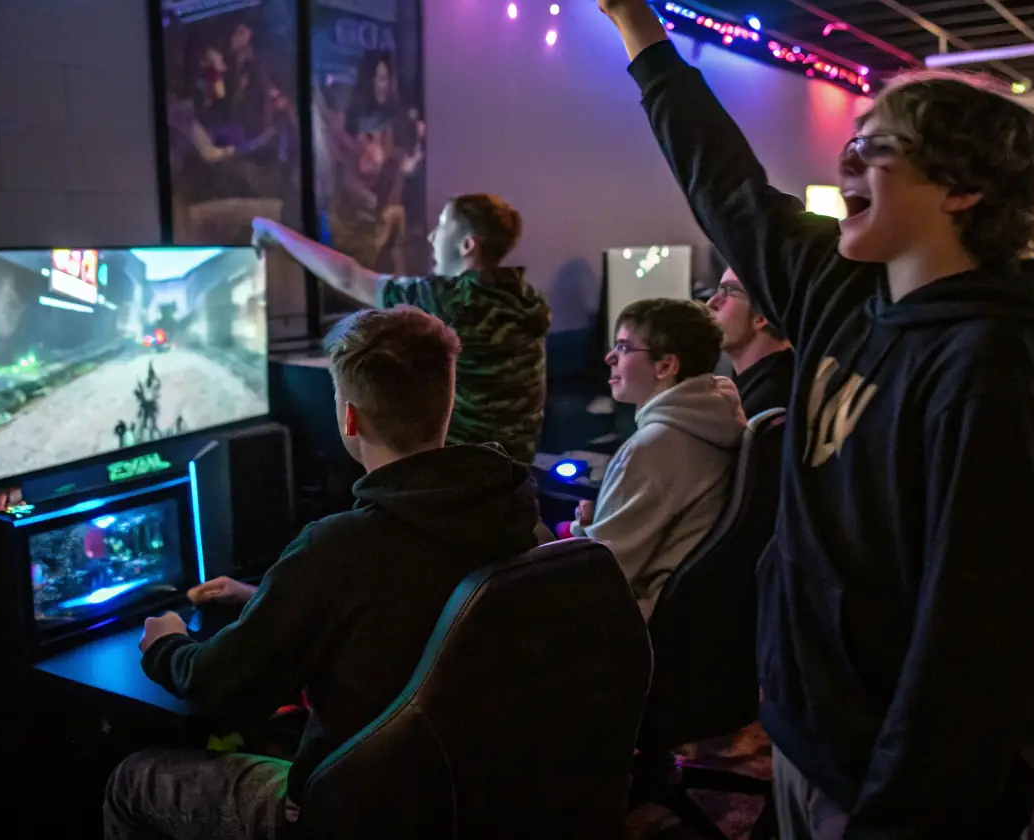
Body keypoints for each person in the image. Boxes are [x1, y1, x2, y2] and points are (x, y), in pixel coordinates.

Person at [584, 0, 1034, 838]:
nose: (845, 164)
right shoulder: (837, 286)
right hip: (804, 730)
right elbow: (721, 177)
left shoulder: (995, 371)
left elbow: (978, 644)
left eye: (877, 150)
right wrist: (631, 18)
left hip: (898, 782)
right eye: (850, 145)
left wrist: (902, 813)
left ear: (961, 190)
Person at [103, 306, 543, 840]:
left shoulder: (341, 548)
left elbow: (219, 687)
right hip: (471, 798)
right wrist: (271, 596)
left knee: (133, 780)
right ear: (448, 403)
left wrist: (167, 645)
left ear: (350, 418)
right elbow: (404, 602)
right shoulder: (512, 516)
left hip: (352, 810)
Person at [253, 193, 551, 463]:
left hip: (462, 478)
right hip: (515, 475)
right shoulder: (527, 298)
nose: (432, 237)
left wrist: (273, 231)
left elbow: (348, 277)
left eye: (443, 225)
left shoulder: (448, 300)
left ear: (467, 245)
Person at [562, 298, 745, 619]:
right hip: (695, 614)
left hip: (639, 620)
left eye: (623, 347)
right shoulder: (717, 419)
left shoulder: (653, 446)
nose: (609, 358)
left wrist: (580, 530)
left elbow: (597, 574)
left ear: (665, 367)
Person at [708, 267, 795, 417]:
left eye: (729, 292)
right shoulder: (755, 385)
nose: (711, 302)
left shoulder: (772, 398)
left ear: (761, 316)